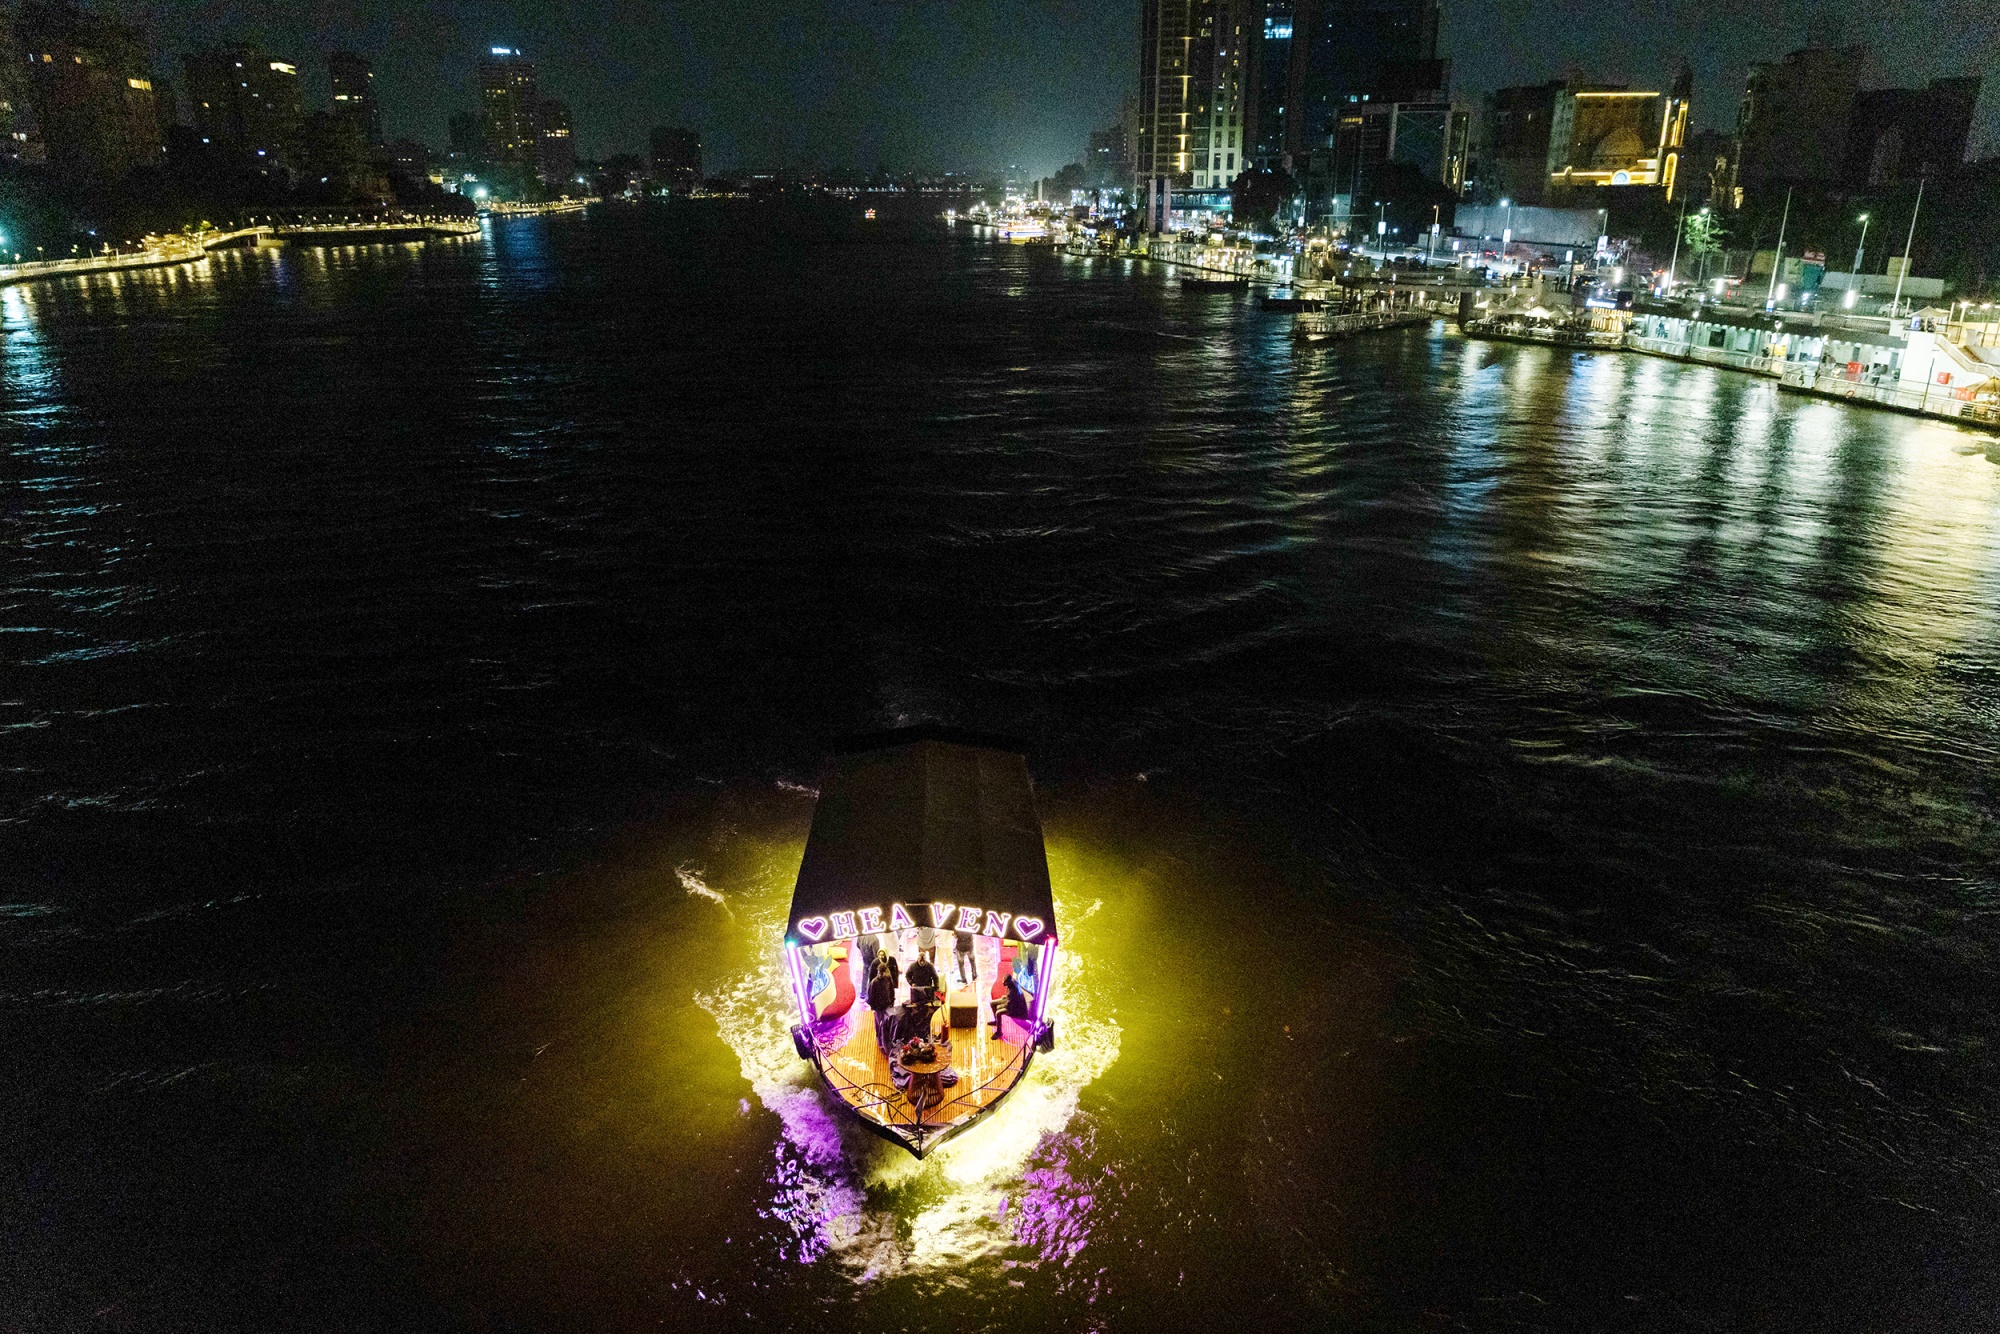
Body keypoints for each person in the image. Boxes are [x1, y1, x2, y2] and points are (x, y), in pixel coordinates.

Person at [904, 949, 940, 1043]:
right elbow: (907, 975)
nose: (922, 963)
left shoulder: (930, 966)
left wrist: (935, 987)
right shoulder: (912, 966)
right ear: (918, 960)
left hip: (927, 991)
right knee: (917, 1011)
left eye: (923, 962)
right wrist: (912, 983)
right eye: (920, 961)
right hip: (916, 991)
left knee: (927, 1011)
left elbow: (935, 977)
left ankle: (926, 1027)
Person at [866, 955, 898, 1053]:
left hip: (887, 1005)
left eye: (882, 973)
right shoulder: (874, 982)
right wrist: (873, 1007)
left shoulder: (888, 978)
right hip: (878, 1007)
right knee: (879, 1025)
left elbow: (891, 990)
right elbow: (870, 996)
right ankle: (880, 1041)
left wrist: (892, 1001)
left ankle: (885, 1042)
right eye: (879, 973)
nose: (880, 974)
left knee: (885, 1025)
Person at [991, 969, 1030, 1041]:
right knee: (992, 1003)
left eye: (1004, 981)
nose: (1002, 982)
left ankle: (999, 1032)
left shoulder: (1013, 991)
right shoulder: (1012, 982)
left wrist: (1000, 1006)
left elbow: (1009, 1005)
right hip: (1011, 1001)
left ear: (1008, 982)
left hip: (1015, 1008)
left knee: (998, 1012)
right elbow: (1009, 999)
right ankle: (996, 1021)